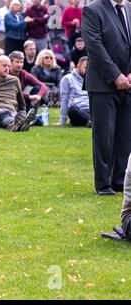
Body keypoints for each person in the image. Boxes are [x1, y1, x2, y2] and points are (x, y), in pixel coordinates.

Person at [81, 0, 131, 195]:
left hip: (128, 83)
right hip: (103, 84)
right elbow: (94, 46)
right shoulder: (93, 9)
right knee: (104, 135)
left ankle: (119, 180)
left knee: (126, 135)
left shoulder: (128, 8)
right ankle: (103, 184)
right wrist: (115, 75)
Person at [58, 56, 90, 127]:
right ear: (78, 66)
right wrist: (62, 121)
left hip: (91, 110)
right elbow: (64, 100)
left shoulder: (92, 79)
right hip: (78, 110)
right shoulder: (67, 79)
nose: (88, 70)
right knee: (72, 110)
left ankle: (89, 122)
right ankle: (92, 122)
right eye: (85, 67)